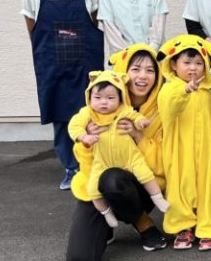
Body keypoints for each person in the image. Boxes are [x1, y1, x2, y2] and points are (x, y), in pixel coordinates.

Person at [65, 45, 170, 259]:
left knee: (113, 179)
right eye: (135, 69)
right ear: (123, 72)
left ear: (158, 76)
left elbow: (165, 163)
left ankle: (144, 224)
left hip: (142, 185)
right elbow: (83, 161)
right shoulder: (99, 106)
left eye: (150, 70)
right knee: (80, 257)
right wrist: (87, 141)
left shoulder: (163, 110)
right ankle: (107, 219)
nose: (143, 76)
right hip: (98, 183)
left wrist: (138, 136)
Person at [22, 0, 103, 190]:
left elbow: (94, 24)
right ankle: (70, 167)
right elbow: (34, 32)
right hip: (52, 66)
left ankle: (94, 165)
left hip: (85, 65)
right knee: (60, 118)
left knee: (92, 114)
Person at [68, 70, 168, 228]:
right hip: (102, 162)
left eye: (110, 98)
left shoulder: (123, 110)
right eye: (98, 98)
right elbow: (74, 126)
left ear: (120, 97)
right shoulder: (87, 114)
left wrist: (140, 124)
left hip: (130, 158)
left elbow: (135, 116)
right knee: (92, 189)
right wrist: (84, 137)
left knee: (146, 175)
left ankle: (158, 199)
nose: (103, 102)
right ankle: (106, 213)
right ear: (89, 97)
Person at [157, 35, 211, 251]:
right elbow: (168, 109)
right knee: (179, 188)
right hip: (178, 151)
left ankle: (209, 228)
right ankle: (183, 227)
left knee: (208, 190)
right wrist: (184, 91)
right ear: (173, 64)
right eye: (186, 62)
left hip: (205, 151)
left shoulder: (206, 93)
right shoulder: (169, 90)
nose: (193, 68)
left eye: (199, 63)